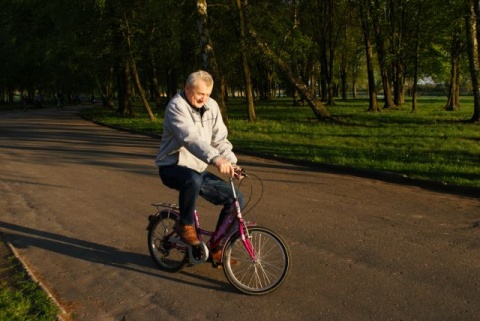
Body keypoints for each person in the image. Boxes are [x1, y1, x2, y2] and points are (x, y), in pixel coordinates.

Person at [155, 70, 244, 265]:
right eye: (199, 93)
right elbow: (190, 139)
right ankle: (186, 226)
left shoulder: (211, 106)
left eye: (207, 94)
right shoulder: (176, 107)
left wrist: (232, 162)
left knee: (236, 199)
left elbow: (219, 139)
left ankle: (216, 248)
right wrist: (215, 159)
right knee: (192, 180)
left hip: (196, 168)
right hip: (172, 166)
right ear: (187, 88)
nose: (203, 98)